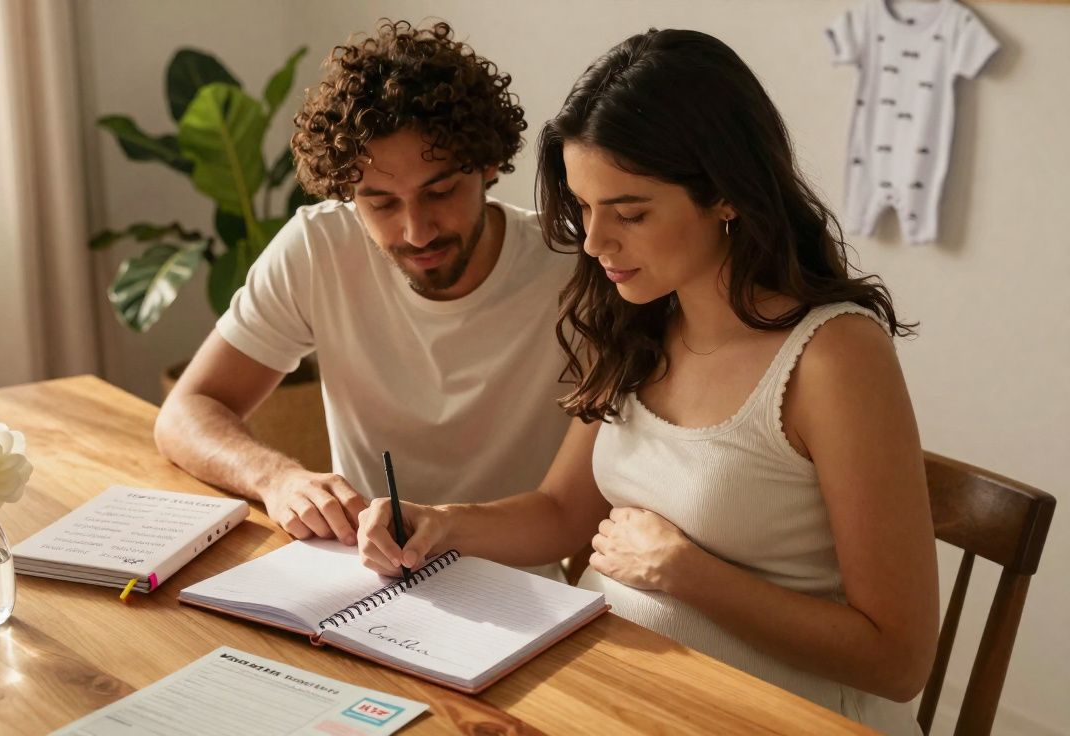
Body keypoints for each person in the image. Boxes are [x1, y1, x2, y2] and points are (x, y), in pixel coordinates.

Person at [355, 29, 938, 734]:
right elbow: (561, 513)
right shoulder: (644, 322)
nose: (595, 243)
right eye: (585, 208)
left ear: (724, 194)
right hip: (617, 698)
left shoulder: (834, 358)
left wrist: (685, 574)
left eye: (629, 212)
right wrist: (442, 524)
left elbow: (900, 661)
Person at [154, 20, 572, 567]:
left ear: (488, 162)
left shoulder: (572, 270)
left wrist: (447, 527)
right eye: (380, 203)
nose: (416, 231)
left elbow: (576, 512)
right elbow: (186, 411)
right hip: (365, 579)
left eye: (440, 191)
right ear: (347, 191)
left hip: (521, 589)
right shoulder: (318, 247)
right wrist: (278, 478)